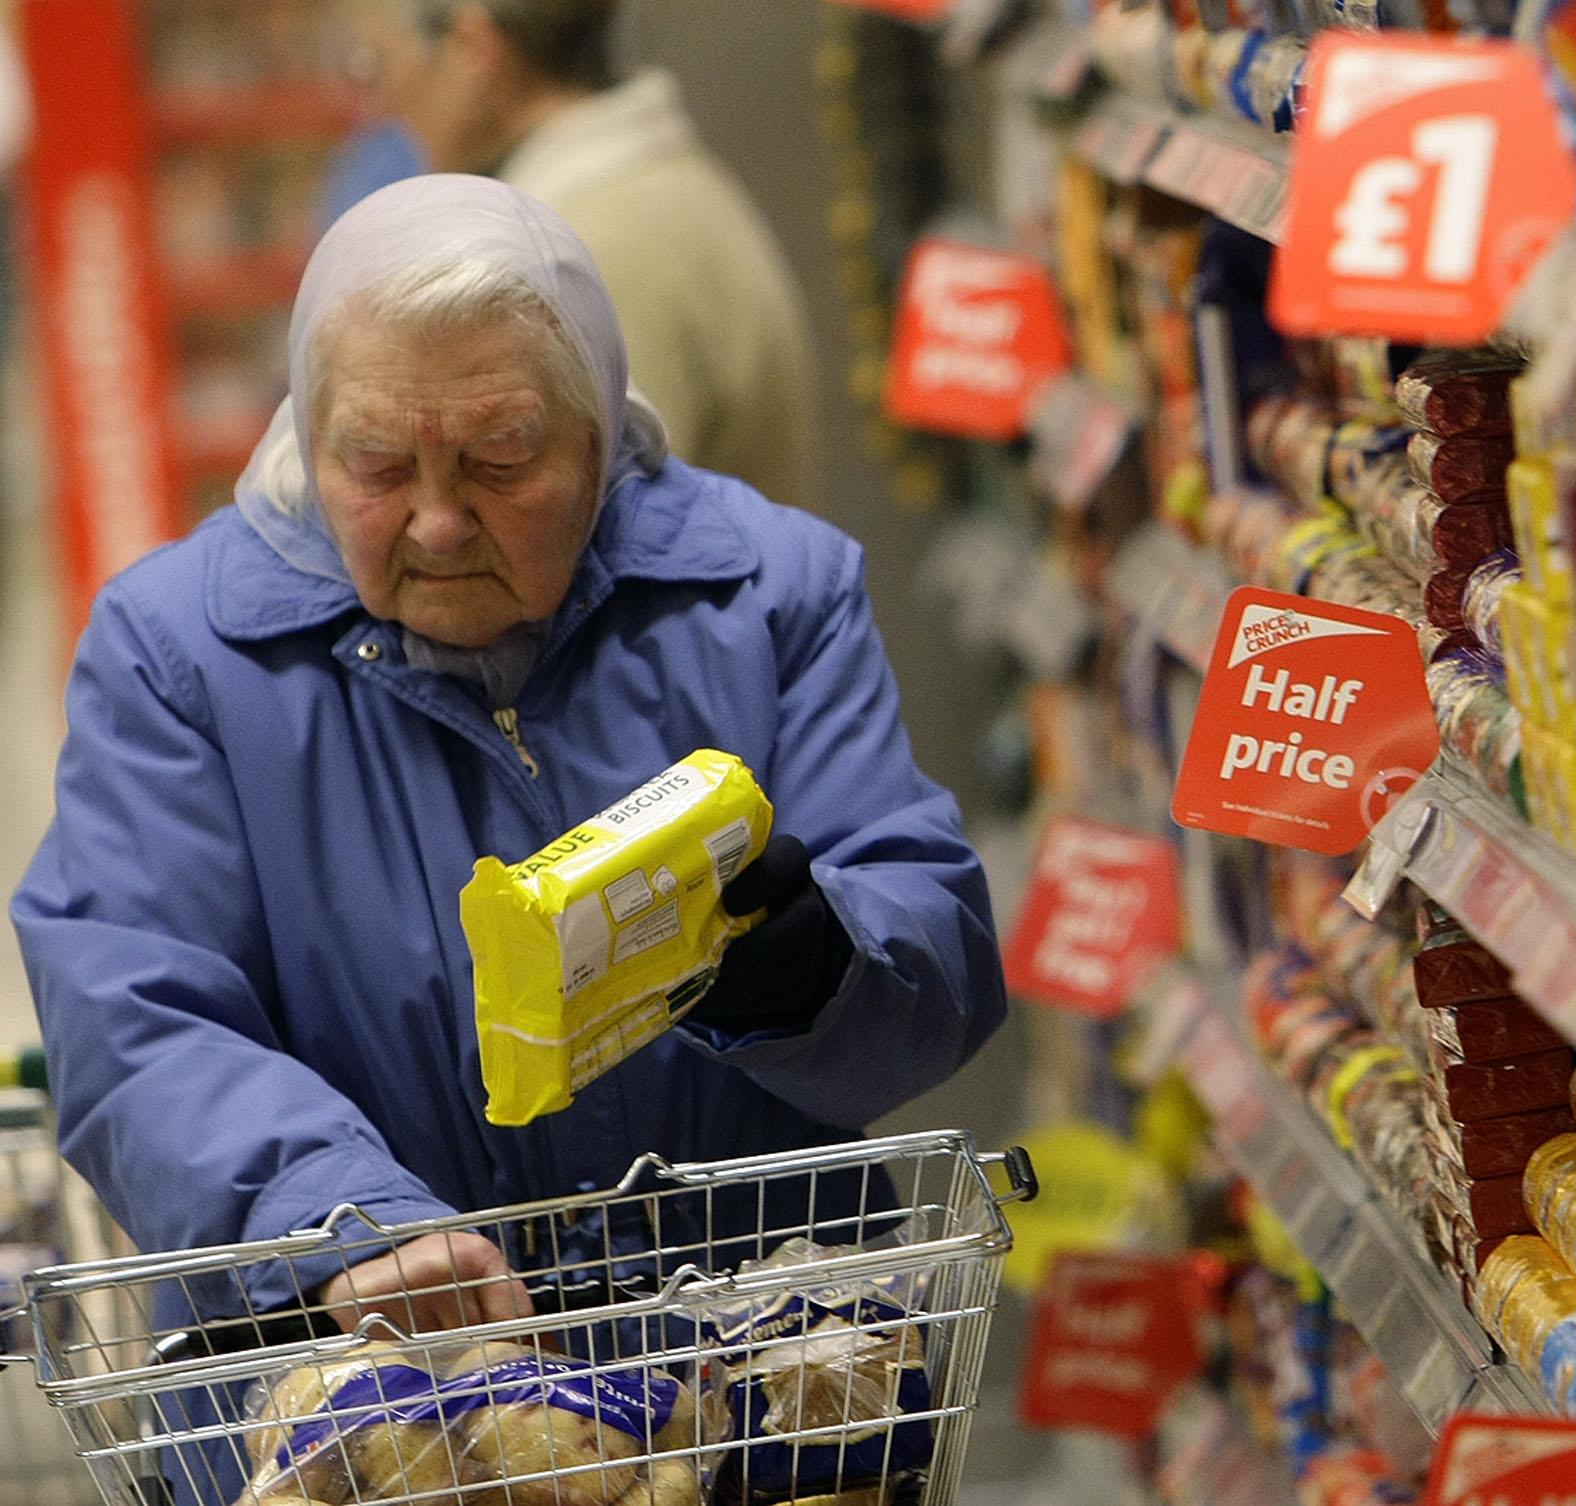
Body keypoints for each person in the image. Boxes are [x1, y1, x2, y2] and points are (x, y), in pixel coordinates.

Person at [12, 175, 1001, 1501]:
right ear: (308, 432)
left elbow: (932, 942)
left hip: (742, 1392)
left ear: (602, 437)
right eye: (373, 462)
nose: (434, 518)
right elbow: (135, 1019)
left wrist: (819, 970)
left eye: (499, 461)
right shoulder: (178, 652)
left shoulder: (767, 591)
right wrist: (341, 1220)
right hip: (371, 1389)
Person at [349, 0, 820, 503]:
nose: (381, 103)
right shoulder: (646, 192)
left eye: (376, 62)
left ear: (471, 49)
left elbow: (604, 547)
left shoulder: (582, 251)